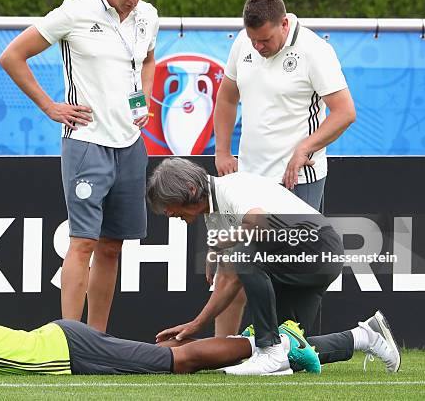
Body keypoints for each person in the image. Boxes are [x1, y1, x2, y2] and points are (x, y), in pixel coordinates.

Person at [0, 0, 158, 332]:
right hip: (86, 142)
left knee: (112, 246)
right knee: (83, 242)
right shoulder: (75, 11)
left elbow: (148, 57)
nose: (134, 0)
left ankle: (97, 340)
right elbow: (11, 56)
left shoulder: (147, 15)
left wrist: (144, 99)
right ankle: (70, 340)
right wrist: (50, 107)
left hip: (131, 145)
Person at [147, 158, 400, 375]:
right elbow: (228, 279)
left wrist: (220, 244)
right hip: (299, 258)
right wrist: (196, 324)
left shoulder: (231, 188)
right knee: (292, 348)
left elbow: (260, 225)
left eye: (168, 205)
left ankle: (270, 350)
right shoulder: (212, 214)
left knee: (272, 348)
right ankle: (366, 336)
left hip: (317, 248)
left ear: (190, 189)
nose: (169, 213)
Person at [210, 0, 356, 337]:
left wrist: (305, 146)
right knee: (231, 266)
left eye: (265, 39)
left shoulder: (315, 51)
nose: (258, 47)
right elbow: (227, 97)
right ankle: (219, 352)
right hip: (246, 179)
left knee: (288, 273)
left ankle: (288, 351)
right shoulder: (242, 45)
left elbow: (345, 112)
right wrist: (223, 152)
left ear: (284, 23)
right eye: (253, 40)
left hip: (297, 180)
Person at [0, 308, 321, 376]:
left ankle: (277, 340)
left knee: (176, 362)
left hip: (68, 349)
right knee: (167, 360)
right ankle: (275, 345)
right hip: (65, 347)